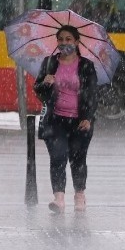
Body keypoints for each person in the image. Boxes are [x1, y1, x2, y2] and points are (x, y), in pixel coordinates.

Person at [33, 25, 99, 213]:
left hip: (80, 121)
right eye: (61, 39)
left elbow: (93, 93)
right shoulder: (49, 63)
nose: (64, 43)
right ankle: (59, 198)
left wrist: (88, 117)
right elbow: (38, 90)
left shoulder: (86, 65)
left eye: (69, 39)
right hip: (55, 121)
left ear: (77, 42)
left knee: (78, 159)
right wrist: (45, 83)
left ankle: (79, 195)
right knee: (58, 156)